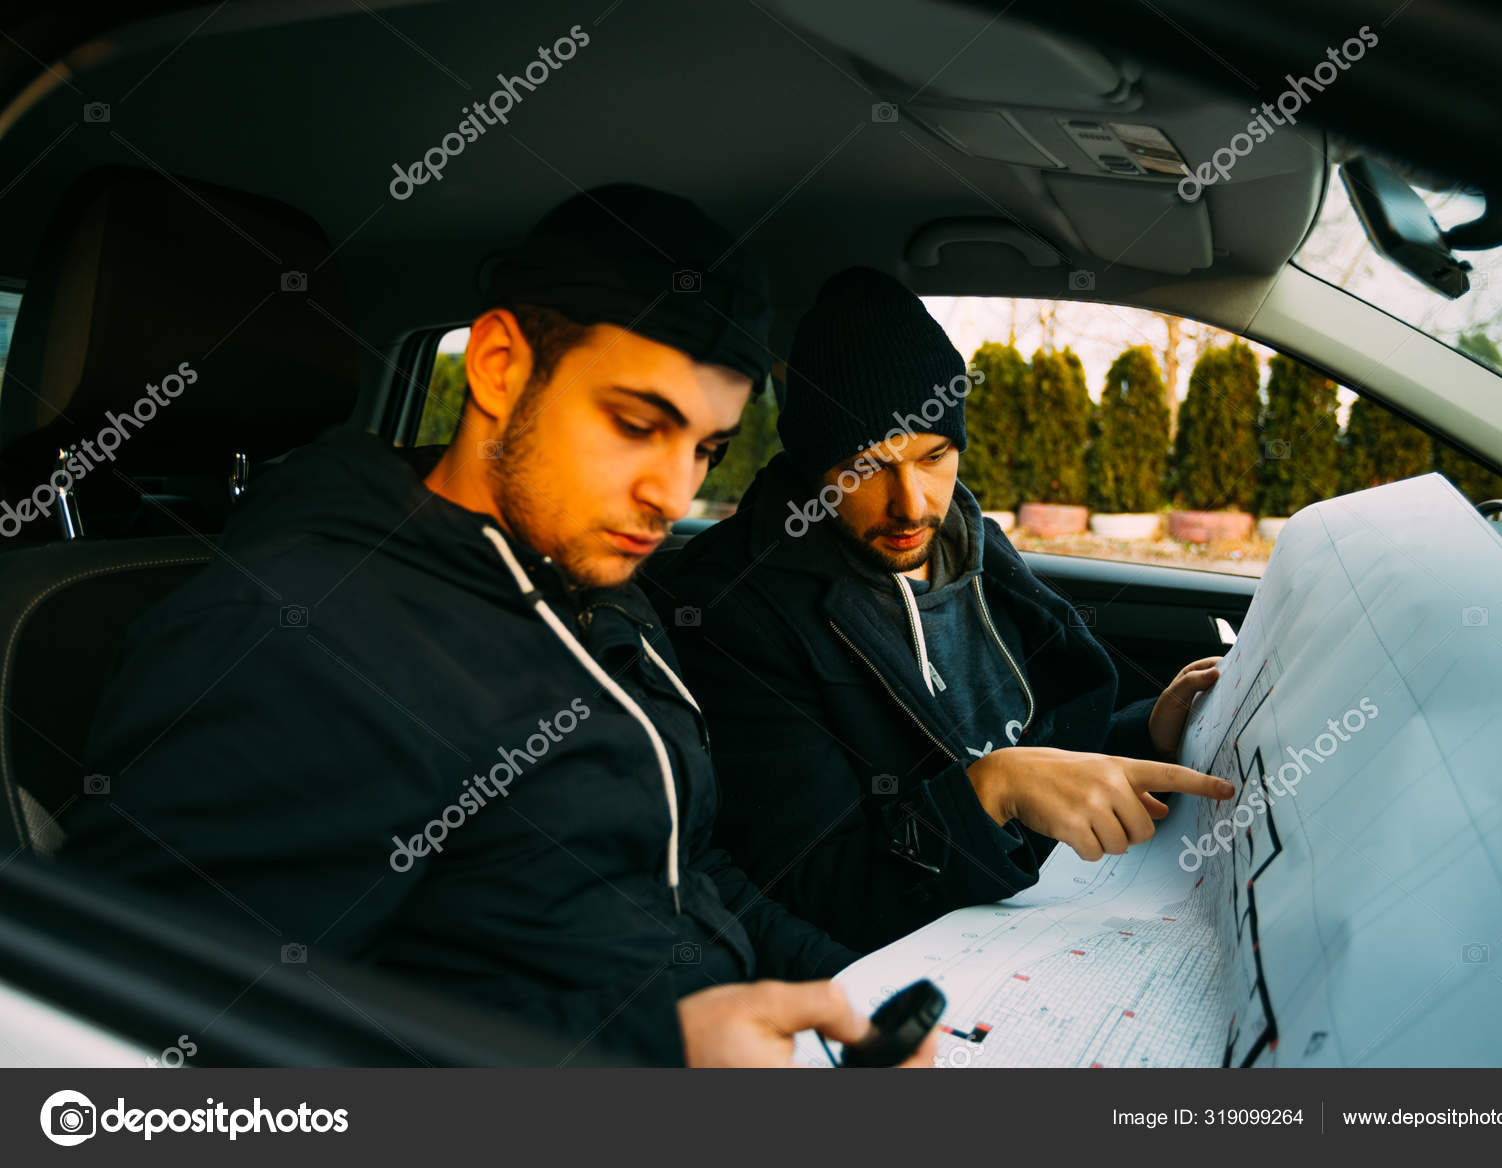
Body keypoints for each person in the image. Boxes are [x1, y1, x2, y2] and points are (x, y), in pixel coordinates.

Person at [58, 190, 931, 1068]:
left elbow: (683, 874)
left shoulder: (601, 587)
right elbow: (165, 1066)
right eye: (636, 425)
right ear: (501, 365)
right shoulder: (297, 639)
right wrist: (651, 1057)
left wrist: (852, 997)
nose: (672, 494)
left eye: (705, 448)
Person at [658, 267, 1234, 953]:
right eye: (868, 467)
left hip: (1063, 900)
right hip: (930, 945)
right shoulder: (736, 606)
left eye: (935, 456)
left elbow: (1043, 758)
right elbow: (815, 885)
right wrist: (987, 793)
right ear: (812, 466)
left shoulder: (974, 541)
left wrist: (1147, 733)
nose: (912, 504)